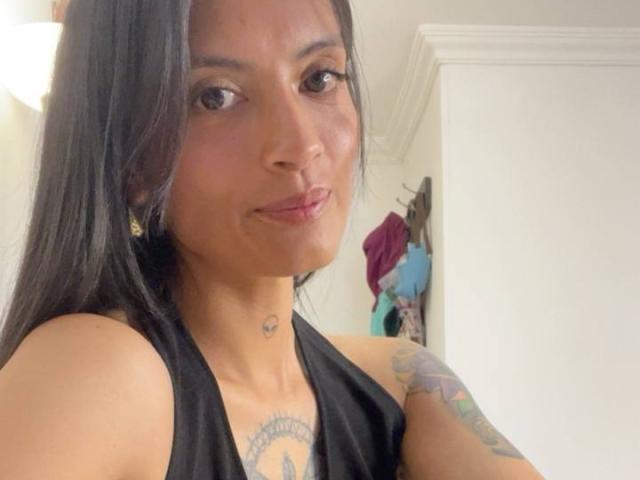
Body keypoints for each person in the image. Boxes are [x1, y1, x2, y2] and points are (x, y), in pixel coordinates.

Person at [0, 0, 546, 478]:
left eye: (319, 78)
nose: (301, 144)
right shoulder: (97, 371)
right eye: (215, 96)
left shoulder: (404, 382)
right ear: (133, 162)